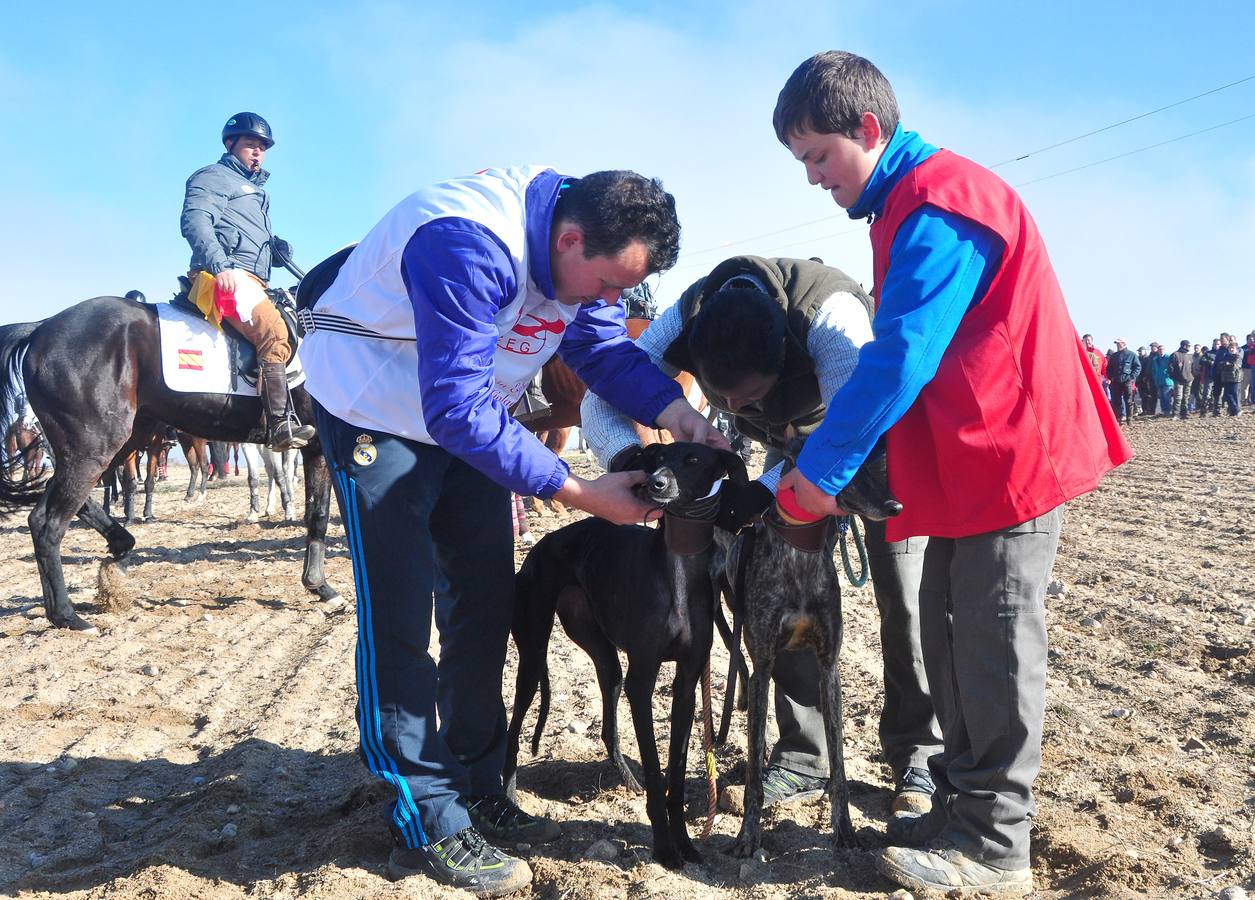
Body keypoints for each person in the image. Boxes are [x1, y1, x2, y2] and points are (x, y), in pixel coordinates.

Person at [297, 166, 725, 897]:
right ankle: (423, 815)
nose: (605, 302)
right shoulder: (466, 243)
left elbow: (599, 351)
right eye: (603, 286)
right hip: (376, 405)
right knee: (398, 615)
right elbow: (455, 406)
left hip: (467, 420)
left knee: (484, 600)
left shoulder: (582, 255)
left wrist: (674, 410)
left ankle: (476, 780)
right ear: (568, 239)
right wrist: (581, 491)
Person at [772, 51, 1132, 895]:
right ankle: (959, 806)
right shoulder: (903, 203)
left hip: (1008, 457)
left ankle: (995, 845)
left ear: (868, 128)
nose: (814, 179)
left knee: (993, 639)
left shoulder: (941, 200)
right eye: (802, 164)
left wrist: (821, 473)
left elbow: (901, 355)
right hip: (967, 463)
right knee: (946, 629)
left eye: (818, 156)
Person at [582, 255, 943, 817]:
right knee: (784, 592)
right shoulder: (683, 318)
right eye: (720, 397)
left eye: (746, 397)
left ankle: (920, 754)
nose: (731, 409)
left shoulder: (831, 320)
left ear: (782, 357)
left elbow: (852, 432)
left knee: (904, 597)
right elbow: (597, 398)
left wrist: (763, 492)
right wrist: (631, 460)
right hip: (788, 444)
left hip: (874, 442)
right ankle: (804, 756)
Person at [180, 112, 315, 452]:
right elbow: (195, 221)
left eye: (262, 148)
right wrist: (220, 264)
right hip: (220, 276)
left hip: (250, 276)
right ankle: (279, 424)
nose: (257, 152)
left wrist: (274, 249)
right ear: (230, 144)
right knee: (274, 330)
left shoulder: (254, 191)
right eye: (250, 145)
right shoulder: (213, 176)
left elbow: (244, 236)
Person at [1108, 339, 1140, 425]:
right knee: (1116, 400)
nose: (1118, 345)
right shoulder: (1114, 356)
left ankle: (1129, 419)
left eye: (1119, 343)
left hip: (1127, 381)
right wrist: (1111, 377)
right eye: (1117, 344)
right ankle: (1118, 419)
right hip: (1116, 381)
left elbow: (1137, 367)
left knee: (1129, 400)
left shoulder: (1132, 355)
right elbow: (1109, 368)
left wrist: (1131, 377)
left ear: (1124, 344)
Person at [1168, 340, 1194, 420]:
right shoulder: (1175, 354)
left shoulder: (1189, 356)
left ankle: (1185, 413)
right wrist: (1174, 377)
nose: (1189, 347)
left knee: (1186, 397)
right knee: (1178, 397)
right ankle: (1175, 414)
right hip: (1178, 380)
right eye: (1188, 346)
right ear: (1184, 345)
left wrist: (1192, 376)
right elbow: (1170, 367)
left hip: (1188, 379)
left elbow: (1192, 367)